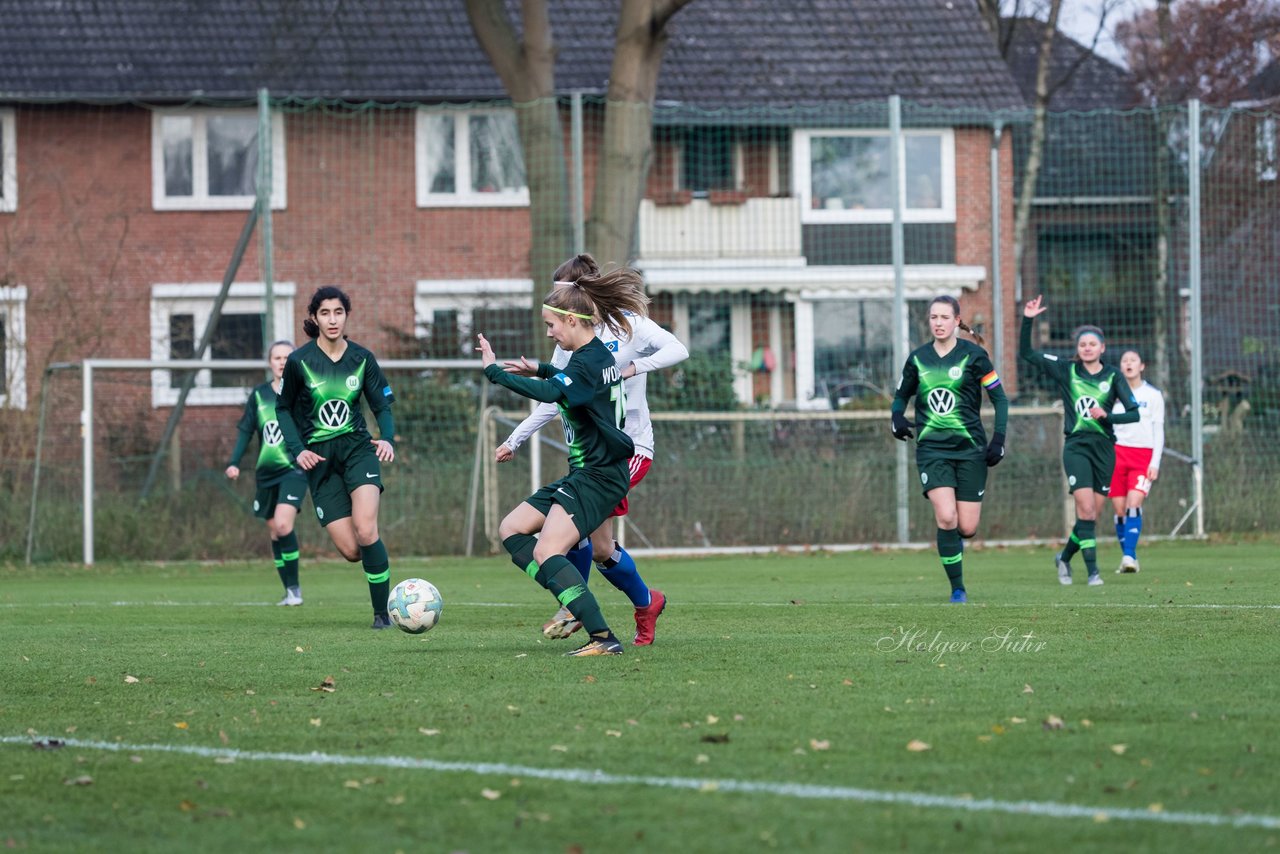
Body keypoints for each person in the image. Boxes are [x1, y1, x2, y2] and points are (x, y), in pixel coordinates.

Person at [496, 254, 688, 645]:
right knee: (601, 547)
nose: (557, 303)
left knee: (575, 529)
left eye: (562, 294)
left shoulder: (628, 325)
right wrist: (515, 437)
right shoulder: (569, 342)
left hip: (627, 451)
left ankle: (575, 609)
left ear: (582, 294)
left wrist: (635, 368)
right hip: (589, 454)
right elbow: (554, 399)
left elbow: (677, 350)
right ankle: (646, 601)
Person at [476, 267, 651, 656]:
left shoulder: (587, 362)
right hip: (587, 474)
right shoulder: (597, 355)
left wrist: (493, 370)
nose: (550, 333)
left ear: (572, 320)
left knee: (547, 552)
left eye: (552, 325)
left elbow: (554, 392)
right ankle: (570, 592)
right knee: (512, 529)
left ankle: (603, 638)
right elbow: (573, 385)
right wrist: (540, 367)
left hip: (598, 477)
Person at [276, 287, 398, 628]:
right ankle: (378, 561)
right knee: (352, 550)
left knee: (366, 529)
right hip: (319, 462)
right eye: (325, 313)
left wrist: (386, 438)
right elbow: (283, 409)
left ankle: (383, 614)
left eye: (339, 312)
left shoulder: (362, 358)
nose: (332, 319)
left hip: (359, 451)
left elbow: (381, 405)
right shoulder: (299, 362)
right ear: (315, 318)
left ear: (346, 316)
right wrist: (298, 450)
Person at [891, 296, 1008, 604]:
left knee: (967, 527)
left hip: (971, 450)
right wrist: (896, 417)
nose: (938, 322)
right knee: (946, 517)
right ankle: (958, 589)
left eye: (944, 317)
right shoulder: (918, 359)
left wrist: (999, 439)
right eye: (933, 317)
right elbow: (901, 396)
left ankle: (956, 545)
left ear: (957, 321)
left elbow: (1000, 399)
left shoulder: (975, 356)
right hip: (932, 450)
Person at [1020, 295, 1139, 586]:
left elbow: (1134, 414)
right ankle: (1093, 573)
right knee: (1084, 510)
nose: (1087, 348)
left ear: (1102, 348)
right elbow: (1027, 353)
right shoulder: (1066, 370)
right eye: (1082, 344)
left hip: (1104, 450)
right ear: (1078, 349)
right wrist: (1028, 320)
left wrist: (1106, 416)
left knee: (1089, 518)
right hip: (1076, 447)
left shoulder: (1112, 376)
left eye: (1092, 344)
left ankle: (1063, 557)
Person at [224, 340, 308, 606]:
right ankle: (288, 591)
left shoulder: (304, 394)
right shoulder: (259, 395)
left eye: (287, 357)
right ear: (269, 362)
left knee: (284, 525)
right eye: (277, 357)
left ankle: (295, 591)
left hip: (294, 470)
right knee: (275, 532)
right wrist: (234, 461)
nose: (282, 362)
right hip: (266, 473)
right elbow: (246, 431)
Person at [1109, 349, 1165, 573]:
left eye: (1133, 360)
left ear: (1142, 366)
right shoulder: (1113, 394)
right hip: (1116, 455)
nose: (1129, 364)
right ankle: (1127, 556)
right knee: (1120, 509)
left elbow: (1158, 430)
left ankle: (1129, 556)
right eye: (1125, 360)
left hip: (1142, 456)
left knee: (1134, 504)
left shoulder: (1153, 395)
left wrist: (1155, 462)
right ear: (1121, 367)